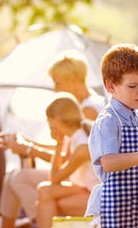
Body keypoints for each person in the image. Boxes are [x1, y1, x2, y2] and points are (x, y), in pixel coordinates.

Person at [0, 51, 105, 228]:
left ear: (73, 80)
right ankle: (14, 224)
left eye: (58, 83)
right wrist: (28, 143)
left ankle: (37, 221)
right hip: (78, 178)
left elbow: (70, 156)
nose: (55, 89)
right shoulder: (81, 108)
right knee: (13, 177)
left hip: (85, 183)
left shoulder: (88, 112)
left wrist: (30, 150)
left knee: (20, 179)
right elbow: (66, 150)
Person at [86, 43, 138, 227]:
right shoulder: (108, 120)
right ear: (110, 86)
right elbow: (109, 163)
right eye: (132, 86)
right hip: (117, 209)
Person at [35, 92, 99, 228]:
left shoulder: (82, 146)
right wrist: (60, 143)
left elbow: (55, 178)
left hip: (97, 196)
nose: (48, 125)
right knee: (43, 190)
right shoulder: (76, 136)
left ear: (56, 120)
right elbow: (57, 173)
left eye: (48, 120)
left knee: (49, 204)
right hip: (85, 188)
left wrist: (59, 144)